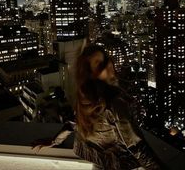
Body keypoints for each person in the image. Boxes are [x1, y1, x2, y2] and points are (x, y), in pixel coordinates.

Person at [32, 44, 162, 169]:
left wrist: (55, 141)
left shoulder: (86, 98)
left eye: (105, 59)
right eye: (100, 65)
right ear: (90, 74)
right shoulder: (114, 102)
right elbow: (136, 146)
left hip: (98, 162)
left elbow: (74, 122)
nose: (108, 65)